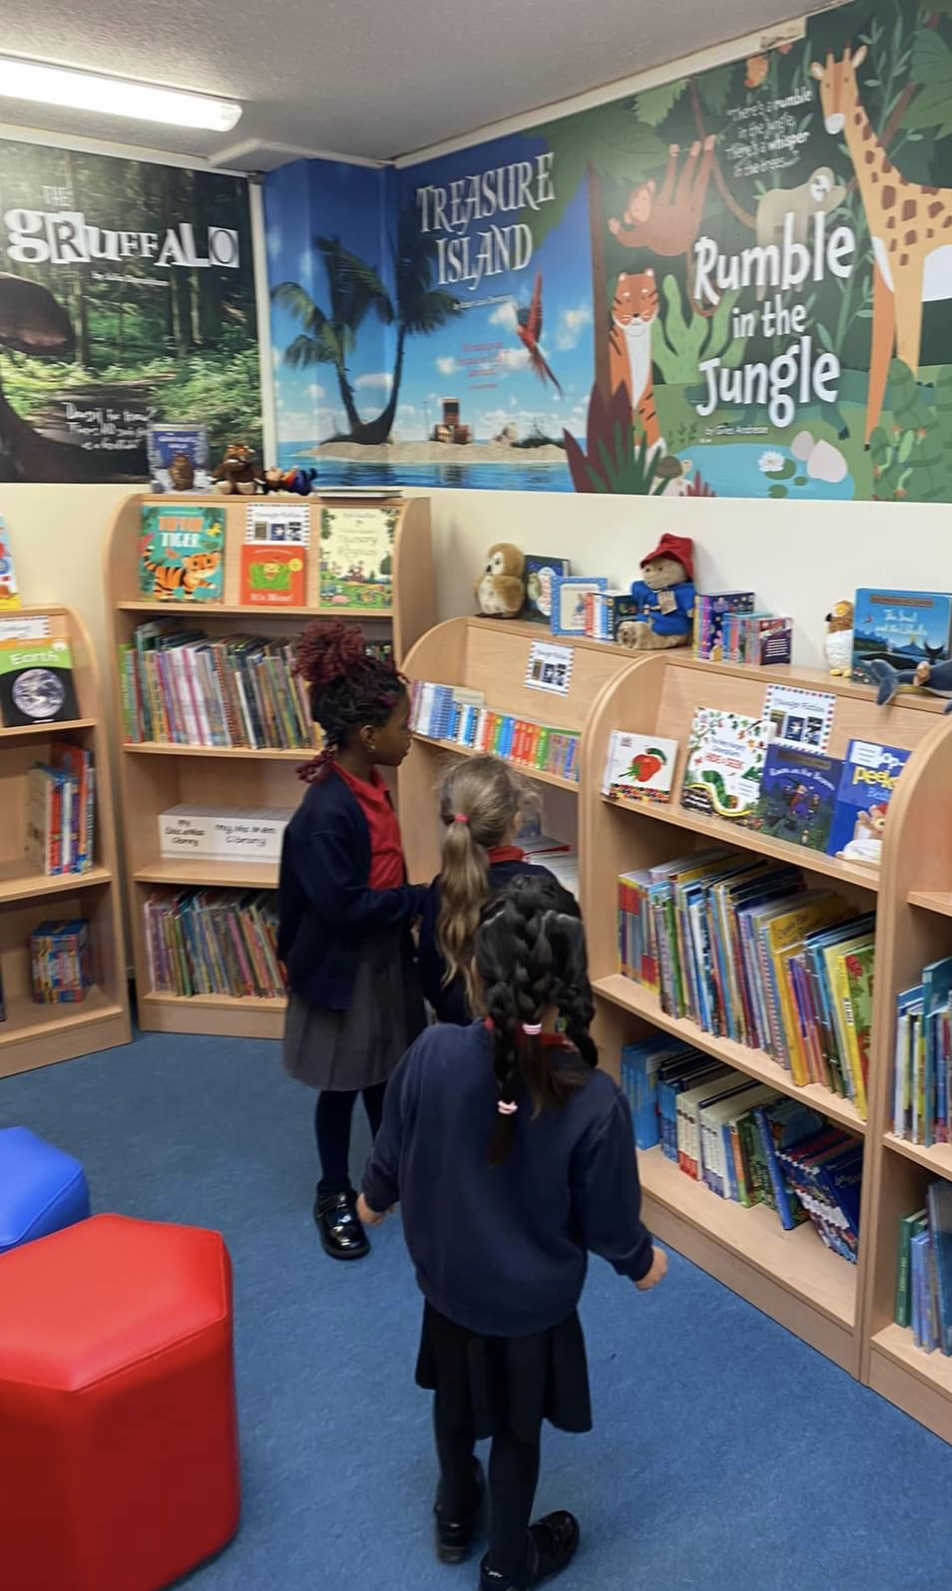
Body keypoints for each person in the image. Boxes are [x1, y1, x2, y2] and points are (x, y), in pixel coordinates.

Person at [358, 874, 667, 1590]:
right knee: (517, 1431)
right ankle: (506, 1561)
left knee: (452, 1400)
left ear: (473, 969)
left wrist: (373, 1198)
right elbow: (609, 1217)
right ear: (573, 984)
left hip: (448, 1286)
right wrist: (639, 1260)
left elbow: (393, 1142)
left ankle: (455, 1509)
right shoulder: (594, 1100)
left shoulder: (432, 1052)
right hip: (532, 1310)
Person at [278, 620, 424, 1261]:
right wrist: (420, 901)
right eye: (402, 726)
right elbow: (343, 907)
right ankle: (333, 1190)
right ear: (369, 735)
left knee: (386, 1075)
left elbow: (383, 871)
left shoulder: (371, 787)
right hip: (343, 969)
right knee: (341, 1084)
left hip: (385, 955)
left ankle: (388, 1177)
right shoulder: (324, 813)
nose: (409, 735)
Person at [418, 753, 554, 1024]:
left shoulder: (441, 888)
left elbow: (429, 977)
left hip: (456, 1035)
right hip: (524, 1040)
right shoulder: (541, 885)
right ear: (516, 819)